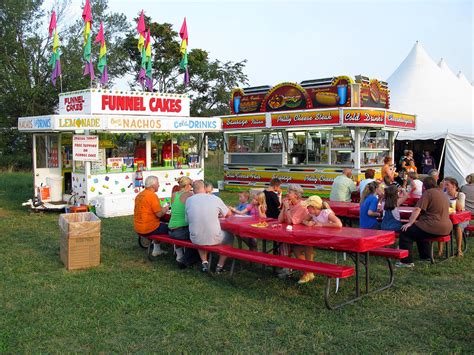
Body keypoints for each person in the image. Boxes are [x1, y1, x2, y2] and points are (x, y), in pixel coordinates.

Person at [397, 177, 452, 267]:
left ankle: (406, 261)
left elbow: (417, 209)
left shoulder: (428, 193)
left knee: (405, 232)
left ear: (423, 186)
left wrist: (410, 223)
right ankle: (426, 257)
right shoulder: (442, 193)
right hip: (447, 228)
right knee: (420, 230)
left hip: (433, 227)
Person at [185, 180, 233, 273]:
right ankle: (220, 266)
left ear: (193, 191)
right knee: (230, 237)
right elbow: (228, 214)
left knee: (199, 231)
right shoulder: (214, 198)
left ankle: (204, 262)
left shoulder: (189, 200)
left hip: (195, 238)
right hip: (214, 237)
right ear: (205, 188)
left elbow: (187, 220)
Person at [295, 196, 342, 284]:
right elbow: (303, 220)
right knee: (296, 248)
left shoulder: (326, 213)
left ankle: (308, 272)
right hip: (317, 239)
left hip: (330, 240)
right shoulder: (312, 214)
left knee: (307, 245)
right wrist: (307, 222)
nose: (306, 209)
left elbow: (339, 224)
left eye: (308, 207)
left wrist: (322, 225)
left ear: (314, 207)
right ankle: (308, 272)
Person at [277, 184, 309, 278]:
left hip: (301, 235)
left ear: (296, 195)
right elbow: (279, 220)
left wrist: (286, 208)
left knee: (284, 242)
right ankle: (286, 267)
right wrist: (284, 208)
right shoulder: (289, 204)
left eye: (289, 192)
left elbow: (291, 222)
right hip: (290, 233)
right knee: (282, 241)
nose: (287, 194)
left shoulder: (302, 206)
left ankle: (287, 268)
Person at [134, 176, 169, 257]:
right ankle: (179, 253)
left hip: (138, 227)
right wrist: (166, 208)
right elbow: (159, 214)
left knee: (160, 224)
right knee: (172, 228)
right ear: (153, 186)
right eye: (158, 183)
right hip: (148, 228)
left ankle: (156, 249)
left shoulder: (139, 195)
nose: (159, 185)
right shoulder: (152, 196)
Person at [168, 176, 199, 268]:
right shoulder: (189, 195)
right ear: (187, 186)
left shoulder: (174, 194)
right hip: (181, 231)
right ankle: (187, 260)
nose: (192, 187)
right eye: (191, 185)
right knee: (196, 236)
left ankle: (180, 255)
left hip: (171, 230)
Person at [443, 177, 468, 256]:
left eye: (447, 185)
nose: (445, 187)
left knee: (458, 226)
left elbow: (460, 208)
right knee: (440, 224)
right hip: (448, 217)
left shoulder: (461, 195)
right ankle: (440, 250)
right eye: (444, 185)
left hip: (461, 218)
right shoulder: (444, 194)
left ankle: (459, 249)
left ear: (454, 186)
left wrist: (453, 196)